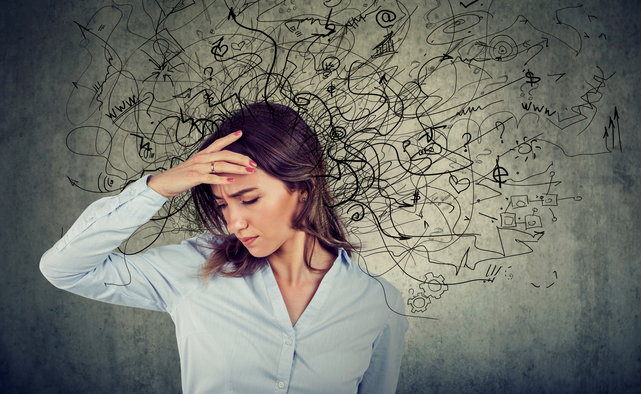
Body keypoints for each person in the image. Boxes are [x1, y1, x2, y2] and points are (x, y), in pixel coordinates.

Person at [40, 102, 408, 393]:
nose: (234, 223)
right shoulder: (194, 269)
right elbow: (64, 268)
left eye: (248, 199)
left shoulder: (378, 304)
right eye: (222, 206)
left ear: (304, 190)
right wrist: (159, 186)